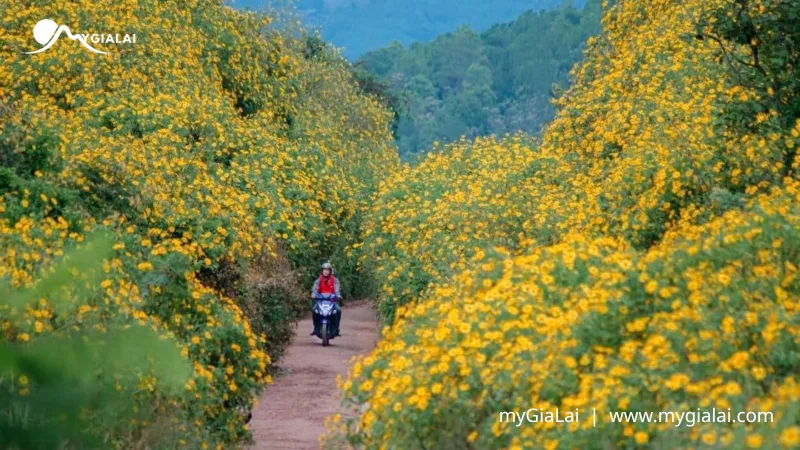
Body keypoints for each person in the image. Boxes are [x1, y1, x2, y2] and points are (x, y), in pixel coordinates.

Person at [311, 261, 342, 337]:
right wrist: (314, 294)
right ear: (322, 271)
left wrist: (338, 295)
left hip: (332, 301)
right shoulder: (318, 280)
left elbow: (337, 289)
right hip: (320, 301)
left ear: (330, 271)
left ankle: (336, 329)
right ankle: (315, 328)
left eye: (327, 270)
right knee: (314, 310)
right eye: (324, 270)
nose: (326, 271)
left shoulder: (335, 280)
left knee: (338, 310)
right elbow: (315, 289)